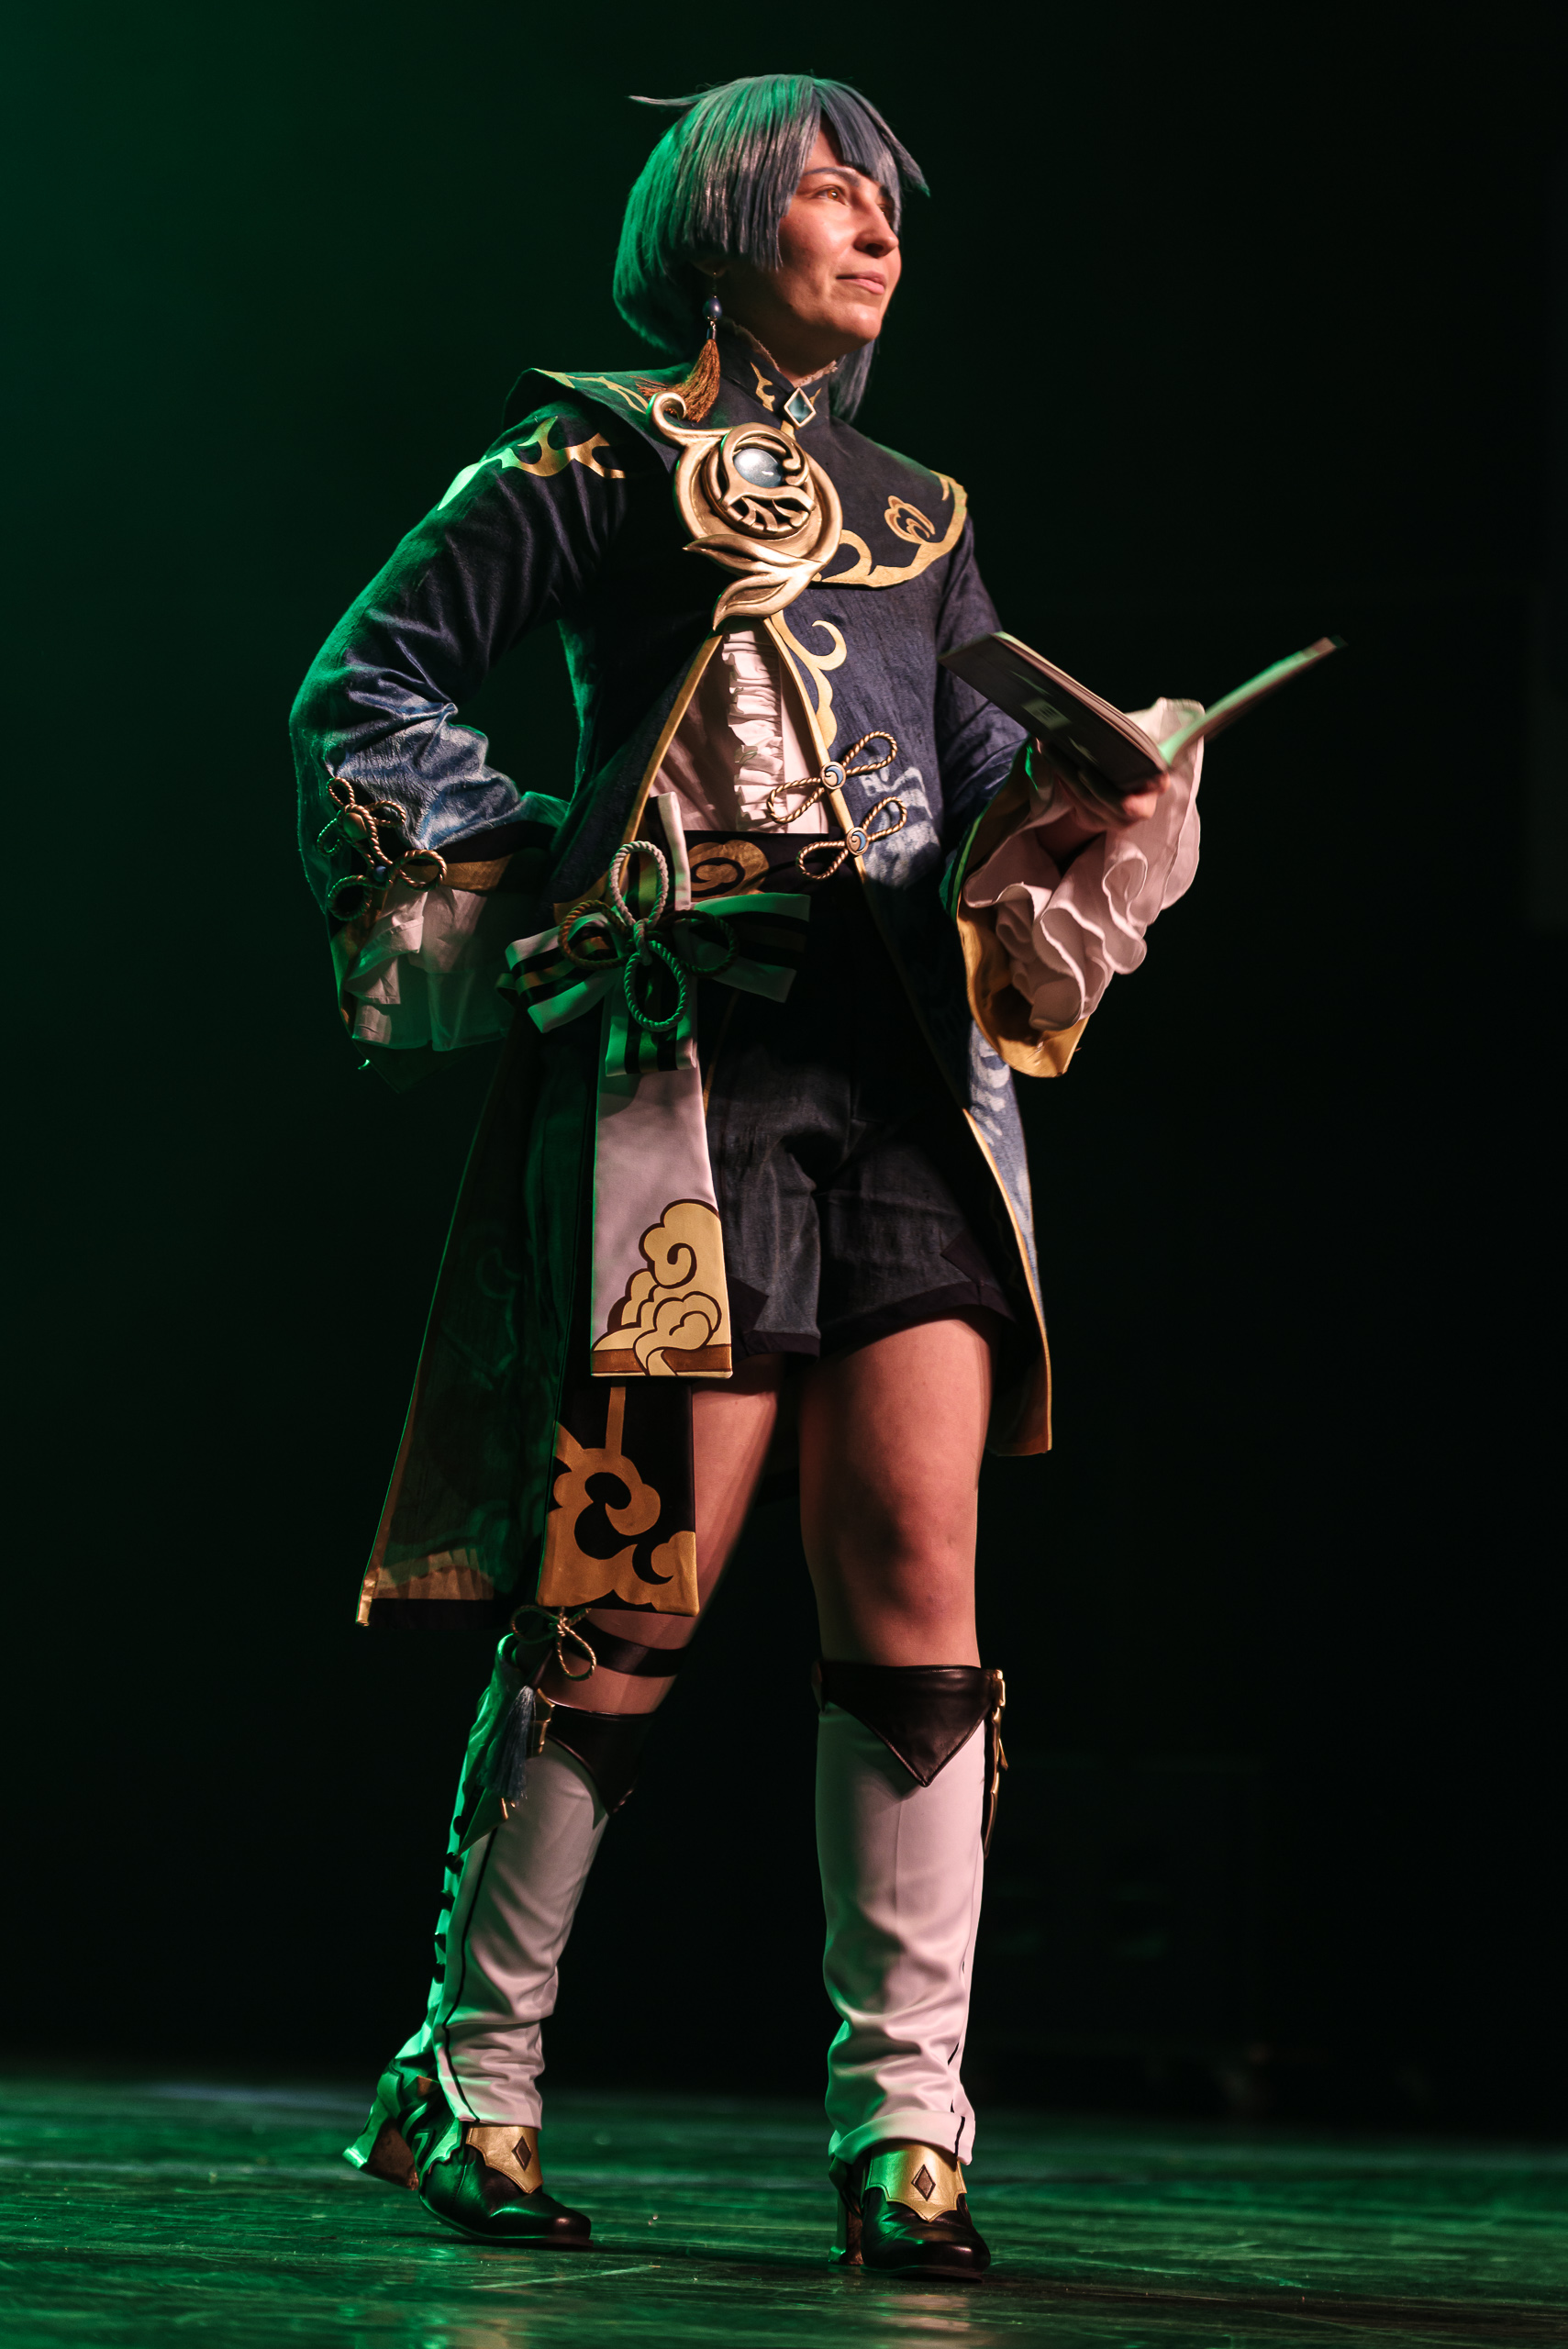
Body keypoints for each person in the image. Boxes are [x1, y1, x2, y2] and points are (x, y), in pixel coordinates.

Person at [290, 72, 1202, 2278]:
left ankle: (909, 2129)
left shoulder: (921, 512)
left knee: (919, 1577)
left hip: (906, 1092)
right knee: (632, 1586)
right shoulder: (590, 454)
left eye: (891, 200)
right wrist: (563, 886)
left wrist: (1086, 805)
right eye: (830, 186)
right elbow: (366, 683)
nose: (878, 225)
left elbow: (967, 781)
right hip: (687, 1083)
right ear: (715, 217)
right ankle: (467, 2070)